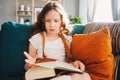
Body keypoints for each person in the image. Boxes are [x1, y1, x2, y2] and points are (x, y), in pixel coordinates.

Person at [24, 1, 91, 80]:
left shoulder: (67, 39)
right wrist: (29, 65)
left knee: (86, 76)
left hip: (60, 75)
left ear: (61, 21)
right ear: (43, 21)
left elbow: (68, 63)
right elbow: (27, 67)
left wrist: (75, 63)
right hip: (41, 76)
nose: (52, 25)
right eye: (48, 21)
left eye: (56, 21)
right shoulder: (36, 39)